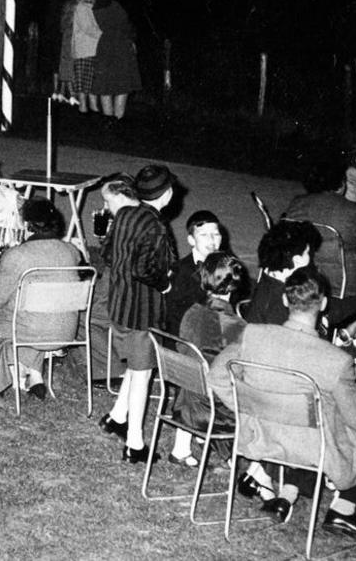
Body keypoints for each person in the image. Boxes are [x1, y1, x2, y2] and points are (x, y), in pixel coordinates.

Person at [209, 267, 356, 539]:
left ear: (285, 300)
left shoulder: (253, 335)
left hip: (261, 436)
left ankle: (288, 493)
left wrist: (246, 405)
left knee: (322, 421)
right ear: (325, 304)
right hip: (311, 447)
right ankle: (344, 508)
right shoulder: (335, 360)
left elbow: (216, 376)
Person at [96, 168, 178, 463]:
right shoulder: (155, 226)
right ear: (167, 194)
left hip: (119, 304)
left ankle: (116, 417)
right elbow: (144, 269)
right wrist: (166, 284)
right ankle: (135, 443)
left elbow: (106, 253)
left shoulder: (125, 215)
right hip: (142, 311)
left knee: (134, 364)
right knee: (143, 374)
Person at [0, 200, 86, 398]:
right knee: (34, 313)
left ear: (27, 226)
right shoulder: (71, 251)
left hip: (34, 330)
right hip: (66, 330)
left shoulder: (17, 255)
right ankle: (35, 377)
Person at [164, 251, 248, 469]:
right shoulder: (233, 325)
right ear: (235, 285)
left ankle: (181, 448)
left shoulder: (192, 312)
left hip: (186, 398)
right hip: (212, 408)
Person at [245, 219, 356, 329]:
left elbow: (324, 305)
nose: (311, 258)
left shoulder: (281, 283)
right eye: (308, 253)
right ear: (296, 260)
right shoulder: (277, 305)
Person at [287, 152, 356, 295]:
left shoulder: (296, 204)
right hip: (349, 285)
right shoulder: (353, 210)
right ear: (342, 184)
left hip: (307, 280)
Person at [162, 210, 236, 332]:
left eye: (216, 234)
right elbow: (174, 318)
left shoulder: (228, 266)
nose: (212, 240)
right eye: (204, 235)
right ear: (191, 240)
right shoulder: (180, 272)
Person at [91, 0, 141, 122]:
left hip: (104, 49)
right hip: (121, 49)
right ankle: (118, 120)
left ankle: (109, 121)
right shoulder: (118, 7)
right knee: (121, 88)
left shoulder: (95, 9)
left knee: (105, 88)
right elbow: (128, 27)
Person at [66, 0, 100, 115]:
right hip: (84, 50)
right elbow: (88, 28)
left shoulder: (89, 8)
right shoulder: (81, 8)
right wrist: (102, 35)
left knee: (88, 83)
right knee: (83, 83)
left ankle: (89, 109)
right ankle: (83, 110)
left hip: (89, 49)